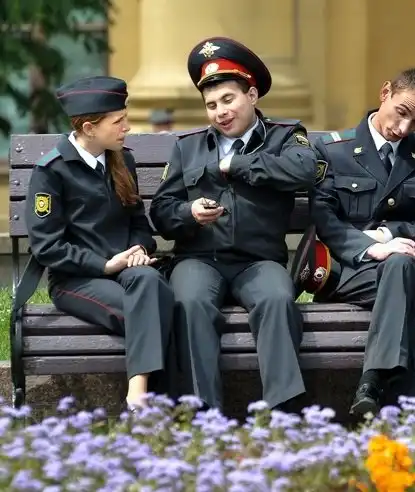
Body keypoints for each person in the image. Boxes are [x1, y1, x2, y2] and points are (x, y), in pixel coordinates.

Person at [150, 37, 317, 411]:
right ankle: (203, 417)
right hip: (198, 260)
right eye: (211, 105)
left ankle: (282, 416)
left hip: (259, 261)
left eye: (228, 100)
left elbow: (305, 170)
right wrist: (189, 213)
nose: (220, 112)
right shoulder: (188, 147)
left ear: (252, 95)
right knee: (189, 302)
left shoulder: (285, 136)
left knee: (277, 299)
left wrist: (237, 164)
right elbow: (161, 210)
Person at [295, 68, 415, 417]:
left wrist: (389, 237)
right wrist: (372, 248)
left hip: (414, 262)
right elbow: (325, 219)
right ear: (385, 93)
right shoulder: (333, 151)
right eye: (402, 112)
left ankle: (372, 380)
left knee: (401, 265)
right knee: (404, 290)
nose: (404, 128)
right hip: (352, 270)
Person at [24, 76, 175, 410]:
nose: (127, 127)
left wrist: (139, 250)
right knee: (160, 309)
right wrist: (105, 265)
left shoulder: (123, 160)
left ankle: (142, 399)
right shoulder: (52, 171)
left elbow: (139, 224)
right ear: (89, 128)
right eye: (118, 121)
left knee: (151, 282)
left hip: (128, 271)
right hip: (76, 280)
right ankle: (151, 402)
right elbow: (47, 246)